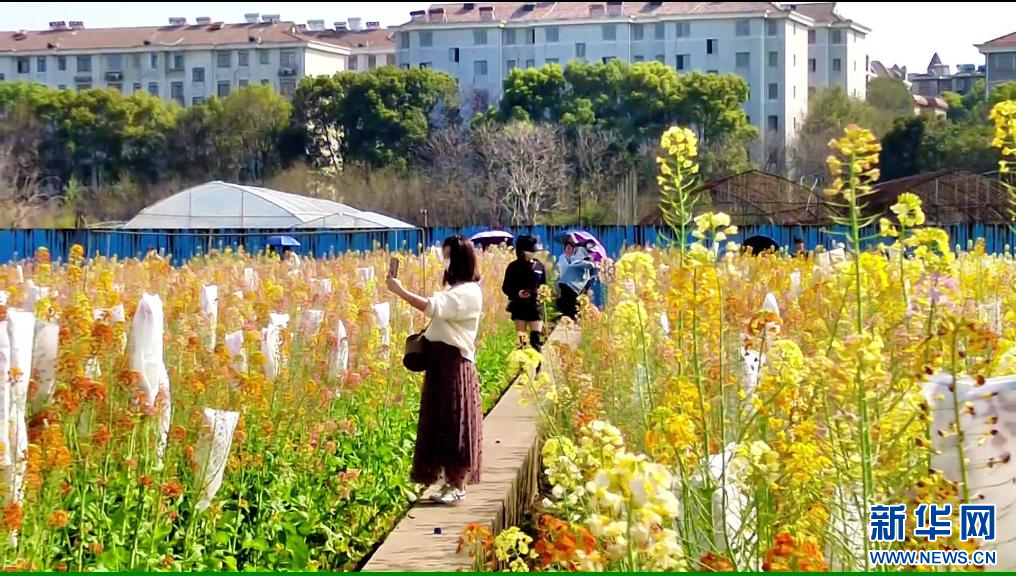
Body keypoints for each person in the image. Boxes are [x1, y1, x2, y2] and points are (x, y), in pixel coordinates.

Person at [385, 235, 483, 504]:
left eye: (449, 255)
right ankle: (446, 483)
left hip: (455, 364)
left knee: (456, 423)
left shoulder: (469, 292)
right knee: (439, 423)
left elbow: (433, 308)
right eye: (445, 254)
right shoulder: (457, 289)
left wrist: (400, 291)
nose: (445, 260)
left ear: (461, 260)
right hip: (439, 362)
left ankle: (457, 484)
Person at [502, 235, 547, 352]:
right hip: (519, 306)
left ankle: (538, 367)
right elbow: (506, 287)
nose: (532, 253)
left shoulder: (539, 266)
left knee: (535, 339)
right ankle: (523, 368)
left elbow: (544, 286)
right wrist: (518, 293)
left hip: (535, 307)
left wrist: (543, 294)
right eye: (530, 251)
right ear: (522, 251)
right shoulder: (513, 267)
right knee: (522, 341)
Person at [557, 246, 599, 320]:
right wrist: (593, 261)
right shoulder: (579, 262)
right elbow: (590, 265)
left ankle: (569, 318)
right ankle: (571, 319)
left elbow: (587, 279)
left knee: (569, 304)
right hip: (569, 285)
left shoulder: (581, 266)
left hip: (568, 285)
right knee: (572, 305)